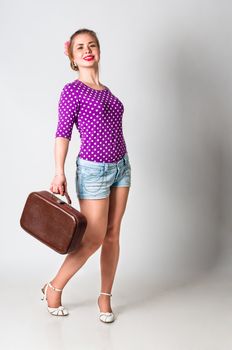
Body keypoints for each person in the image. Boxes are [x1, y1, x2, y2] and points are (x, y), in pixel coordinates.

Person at [41, 28, 131, 323]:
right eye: (80, 47)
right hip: (93, 171)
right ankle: (54, 288)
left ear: (99, 51)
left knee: (113, 234)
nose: (87, 50)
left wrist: (122, 165)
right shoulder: (72, 91)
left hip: (122, 167)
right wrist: (59, 171)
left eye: (92, 45)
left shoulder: (107, 91)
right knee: (92, 238)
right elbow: (62, 133)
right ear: (72, 57)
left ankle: (104, 297)